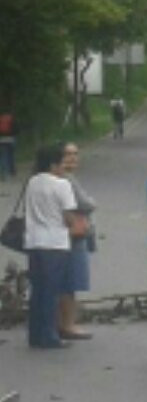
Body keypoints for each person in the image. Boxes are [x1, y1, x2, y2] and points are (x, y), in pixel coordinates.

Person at [24, 143, 82, 349]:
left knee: (38, 290)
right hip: (55, 243)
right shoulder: (61, 185)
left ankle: (35, 333)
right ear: (53, 163)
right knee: (52, 291)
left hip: (33, 241)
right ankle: (50, 335)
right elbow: (68, 216)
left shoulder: (32, 182)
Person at [58, 142, 94, 340]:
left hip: (65, 234)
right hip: (73, 234)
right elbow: (86, 204)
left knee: (63, 281)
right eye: (67, 154)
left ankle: (61, 322)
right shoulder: (67, 180)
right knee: (70, 281)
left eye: (75, 154)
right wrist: (92, 202)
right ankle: (68, 324)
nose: (72, 158)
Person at [0, 109, 16, 180]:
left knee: (4, 156)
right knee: (11, 155)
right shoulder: (11, 118)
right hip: (11, 138)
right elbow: (16, 128)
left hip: (2, 139)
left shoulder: (1, 119)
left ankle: (4, 173)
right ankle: (12, 171)